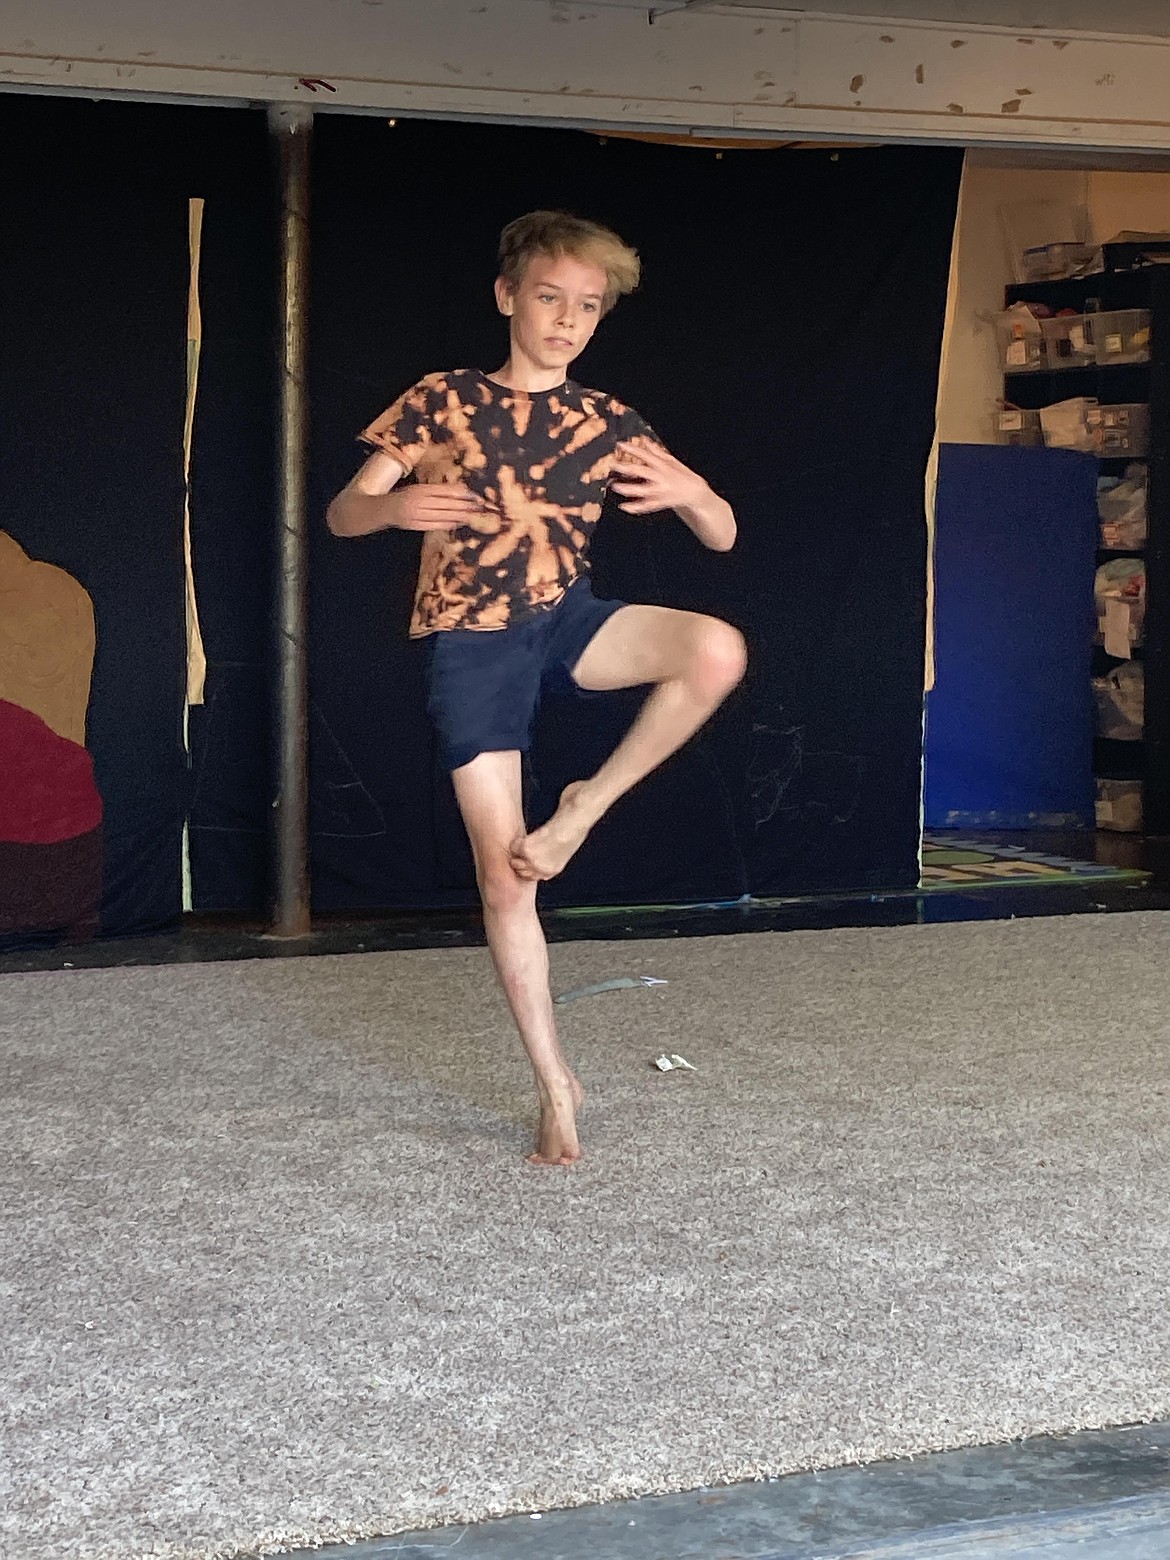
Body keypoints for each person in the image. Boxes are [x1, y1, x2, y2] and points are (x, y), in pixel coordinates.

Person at [327, 210, 744, 1166]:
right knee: (506, 876)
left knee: (714, 649)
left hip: (568, 620)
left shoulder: (607, 420)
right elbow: (344, 513)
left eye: (587, 307)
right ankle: (556, 1082)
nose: (566, 321)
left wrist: (691, 493)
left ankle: (586, 806)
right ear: (509, 296)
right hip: (473, 645)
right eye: (550, 298)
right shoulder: (442, 399)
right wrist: (389, 508)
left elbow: (721, 536)